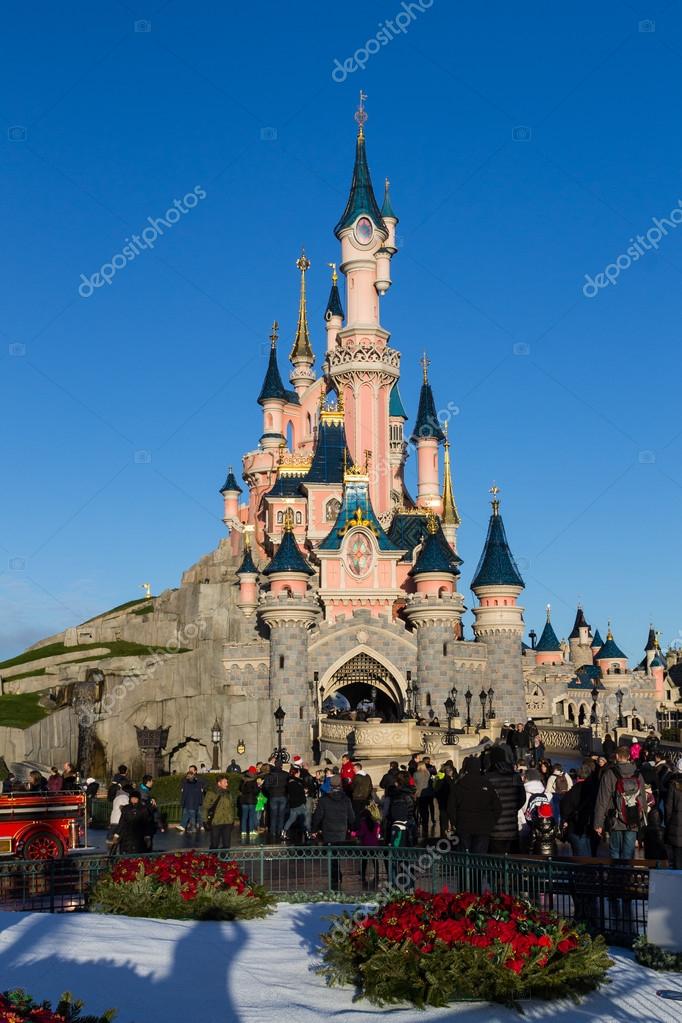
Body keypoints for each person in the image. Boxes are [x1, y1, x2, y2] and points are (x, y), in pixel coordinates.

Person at [594, 745, 648, 863]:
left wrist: (598, 823)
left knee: (615, 851)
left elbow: (602, 800)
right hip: (633, 820)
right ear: (629, 756)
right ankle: (627, 876)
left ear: (617, 756)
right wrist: (643, 820)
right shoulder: (638, 774)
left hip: (616, 820)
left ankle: (618, 876)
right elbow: (643, 799)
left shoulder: (610, 774)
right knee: (628, 854)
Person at [449, 756, 502, 853]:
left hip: (464, 825)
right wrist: (491, 823)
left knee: (464, 858)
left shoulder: (459, 785)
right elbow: (497, 807)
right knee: (479, 858)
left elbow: (451, 807)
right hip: (483, 826)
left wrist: (455, 823)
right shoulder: (487, 784)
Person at [311, 775, 355, 888]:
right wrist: (352, 827)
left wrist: (314, 829)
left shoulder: (324, 800)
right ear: (340, 785)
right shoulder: (346, 799)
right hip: (341, 829)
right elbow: (351, 816)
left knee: (331, 854)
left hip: (328, 829)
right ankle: (336, 873)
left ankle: (334, 875)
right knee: (337, 852)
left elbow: (318, 816)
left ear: (330, 785)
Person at [484, 747, 525, 854]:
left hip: (494, 829)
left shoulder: (488, 777)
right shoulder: (515, 777)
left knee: (496, 864)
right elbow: (522, 799)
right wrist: (512, 809)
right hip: (512, 828)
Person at [560, 760, 597, 857]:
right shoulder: (594, 790)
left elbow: (565, 808)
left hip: (575, 828)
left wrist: (565, 820)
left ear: (577, 776)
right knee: (588, 858)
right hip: (590, 827)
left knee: (580, 860)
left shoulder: (573, 791)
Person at [203, 775, 236, 849]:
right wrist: (205, 821)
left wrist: (232, 820)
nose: (227, 784)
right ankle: (213, 859)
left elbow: (231, 807)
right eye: (225, 782)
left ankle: (224, 859)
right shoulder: (211, 793)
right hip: (216, 822)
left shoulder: (228, 793)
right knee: (214, 844)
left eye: (227, 782)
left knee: (227, 845)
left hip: (227, 822)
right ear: (219, 783)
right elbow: (205, 808)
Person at [262, 759, 288, 840]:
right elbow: (288, 786)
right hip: (282, 795)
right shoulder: (285, 774)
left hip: (273, 795)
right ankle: (279, 832)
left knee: (273, 815)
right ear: (281, 765)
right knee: (281, 816)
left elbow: (265, 787)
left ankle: (273, 832)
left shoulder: (270, 775)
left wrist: (269, 792)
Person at [357, 806, 382, 889]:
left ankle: (363, 876)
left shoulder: (363, 823)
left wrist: (353, 834)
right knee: (375, 861)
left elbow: (361, 834)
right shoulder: (376, 823)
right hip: (375, 845)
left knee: (364, 861)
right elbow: (378, 834)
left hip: (365, 845)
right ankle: (377, 875)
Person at [282, 766, 308, 842]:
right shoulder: (297, 783)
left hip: (293, 804)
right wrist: (304, 793)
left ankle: (284, 832)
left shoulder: (289, 782)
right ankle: (306, 833)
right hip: (299, 803)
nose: (299, 773)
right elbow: (301, 793)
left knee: (291, 818)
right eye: (299, 772)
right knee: (305, 819)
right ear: (296, 774)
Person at [664, 759, 682, 869]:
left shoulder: (674, 785)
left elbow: (668, 807)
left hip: (676, 825)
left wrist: (668, 822)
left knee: (677, 860)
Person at [178, 765, 204, 834]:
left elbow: (204, 785)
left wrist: (202, 789)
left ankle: (197, 826)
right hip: (189, 800)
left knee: (197, 813)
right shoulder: (186, 779)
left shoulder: (198, 779)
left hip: (195, 800)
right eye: (189, 769)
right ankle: (185, 826)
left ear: (195, 771)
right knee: (188, 813)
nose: (190, 771)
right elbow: (182, 785)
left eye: (192, 770)